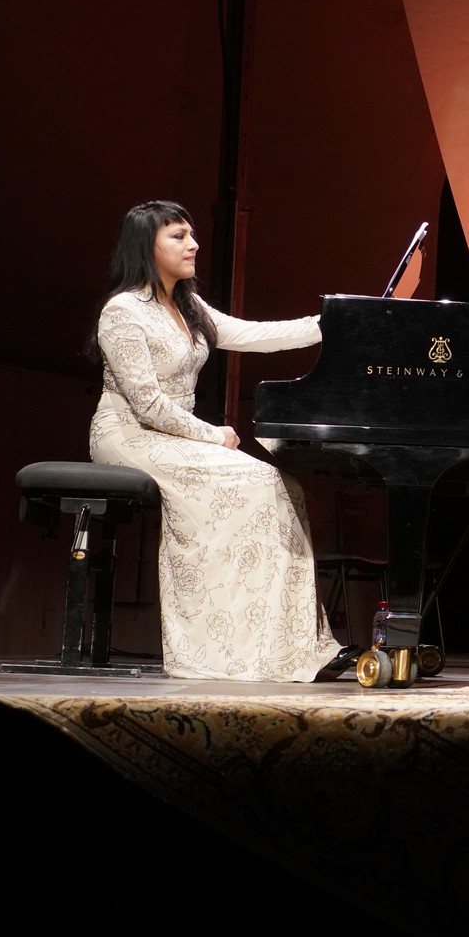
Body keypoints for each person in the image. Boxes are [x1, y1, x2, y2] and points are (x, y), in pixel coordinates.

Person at [86, 200, 352, 681]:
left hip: (178, 436)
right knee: (256, 481)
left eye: (192, 234)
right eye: (178, 236)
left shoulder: (189, 308)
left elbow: (255, 335)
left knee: (282, 485)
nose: (193, 245)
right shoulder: (122, 312)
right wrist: (213, 435)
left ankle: (280, 646)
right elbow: (147, 404)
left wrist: (333, 324)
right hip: (127, 435)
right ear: (146, 246)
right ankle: (221, 647)